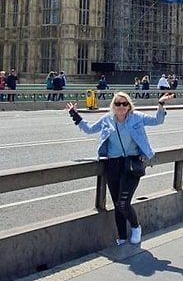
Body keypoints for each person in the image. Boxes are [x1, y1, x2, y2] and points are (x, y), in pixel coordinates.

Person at [67, 90, 175, 246]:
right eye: (118, 104)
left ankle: (136, 227)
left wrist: (161, 104)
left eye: (125, 104)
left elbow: (157, 121)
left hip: (131, 164)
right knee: (117, 204)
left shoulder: (137, 117)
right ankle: (122, 237)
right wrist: (74, 115)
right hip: (112, 165)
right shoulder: (107, 119)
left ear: (129, 105)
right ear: (113, 106)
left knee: (123, 202)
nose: (121, 107)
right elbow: (90, 129)